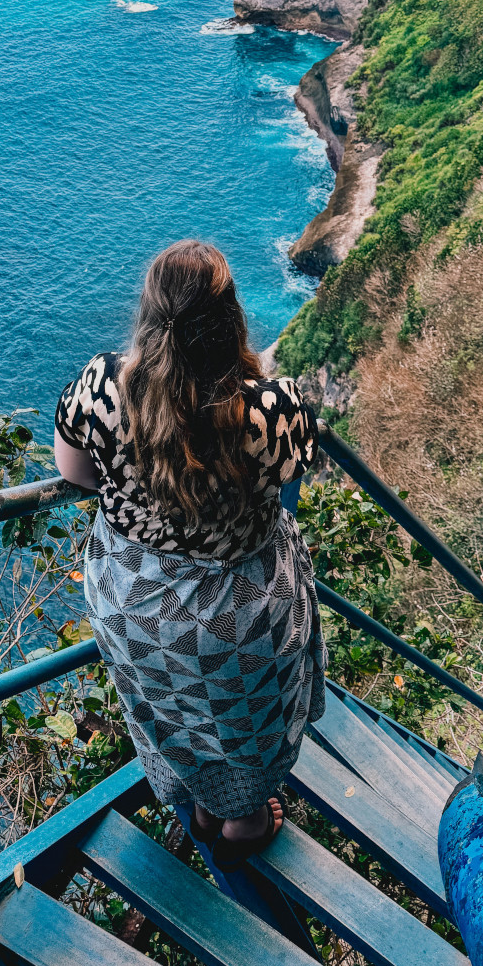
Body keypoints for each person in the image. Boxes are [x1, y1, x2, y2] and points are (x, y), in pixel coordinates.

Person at [54, 239, 325, 868]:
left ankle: (203, 810)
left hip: (137, 605)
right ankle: (246, 827)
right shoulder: (268, 412)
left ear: (149, 319)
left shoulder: (99, 389)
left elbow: (76, 473)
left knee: (173, 706)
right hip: (239, 611)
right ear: (231, 319)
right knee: (243, 716)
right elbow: (290, 474)